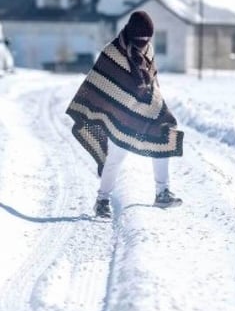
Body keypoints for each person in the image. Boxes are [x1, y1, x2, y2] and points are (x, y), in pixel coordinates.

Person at [66, 11, 184, 218]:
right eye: (141, 38)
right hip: (120, 115)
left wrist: (155, 104)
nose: (144, 42)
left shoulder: (148, 49)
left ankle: (162, 192)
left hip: (147, 112)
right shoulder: (112, 52)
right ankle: (102, 200)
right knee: (115, 159)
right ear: (131, 33)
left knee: (164, 138)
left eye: (148, 38)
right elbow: (100, 83)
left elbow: (152, 82)